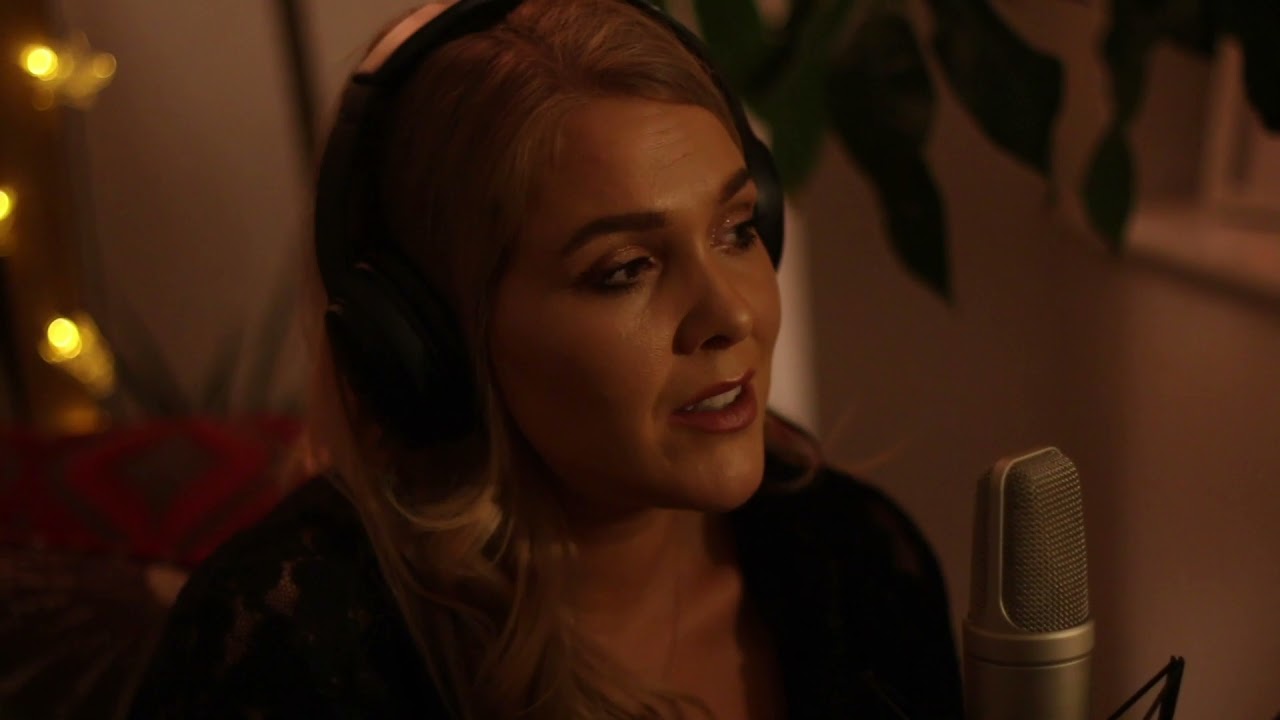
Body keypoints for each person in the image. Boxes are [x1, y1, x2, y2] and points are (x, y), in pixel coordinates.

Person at [129, 0, 963, 718]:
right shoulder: (293, 648)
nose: (733, 313)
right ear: (432, 337)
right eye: (625, 270)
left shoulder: (856, 559)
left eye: (737, 230)